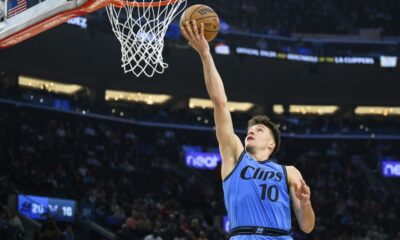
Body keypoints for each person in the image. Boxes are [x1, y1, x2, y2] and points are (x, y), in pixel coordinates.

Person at [181, 20, 315, 239]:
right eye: (251, 129)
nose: (251, 131)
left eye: (260, 130)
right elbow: (220, 103)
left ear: (271, 144)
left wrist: (306, 203)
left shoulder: (289, 172)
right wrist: (206, 55)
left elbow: (307, 226)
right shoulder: (234, 155)